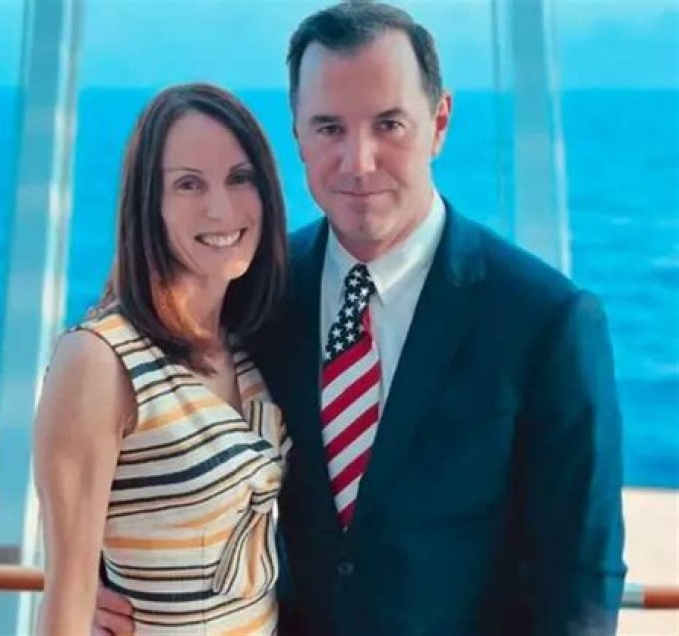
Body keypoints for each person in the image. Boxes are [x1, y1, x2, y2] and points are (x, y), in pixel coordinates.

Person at [94, 3, 626, 635]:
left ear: (439, 123)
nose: (358, 161)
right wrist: (102, 581)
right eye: (329, 128)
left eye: (388, 124)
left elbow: (580, 577)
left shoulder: (547, 321)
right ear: (297, 136)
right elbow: (140, 431)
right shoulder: (251, 291)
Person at [33, 83, 290, 635]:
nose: (221, 208)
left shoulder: (245, 348)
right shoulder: (99, 361)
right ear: (150, 203)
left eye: (239, 178)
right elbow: (68, 599)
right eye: (188, 184)